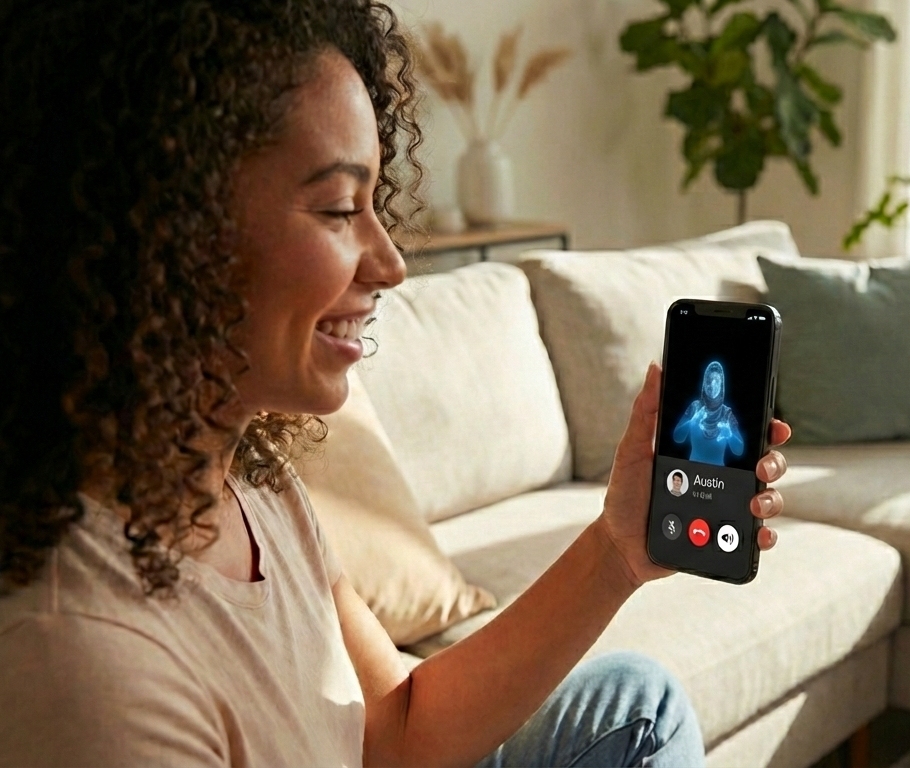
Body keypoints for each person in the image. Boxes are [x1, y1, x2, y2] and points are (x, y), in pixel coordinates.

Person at [0, 3, 795, 766]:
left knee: (632, 704)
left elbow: (393, 732)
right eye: (338, 209)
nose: (390, 264)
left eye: (373, 202)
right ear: (166, 231)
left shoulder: (256, 490)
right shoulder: (90, 671)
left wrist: (617, 552)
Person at [673, 361, 745, 466]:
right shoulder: (695, 407)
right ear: (704, 383)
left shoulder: (726, 414)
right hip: (692, 471)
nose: (712, 385)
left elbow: (739, 450)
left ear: (721, 385)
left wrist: (729, 435)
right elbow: (677, 438)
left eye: (716, 381)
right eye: (709, 381)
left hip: (717, 475)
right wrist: (692, 422)